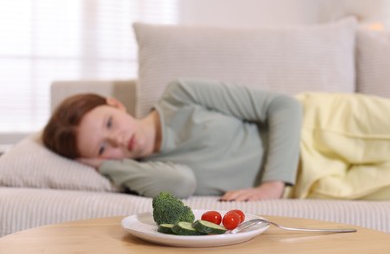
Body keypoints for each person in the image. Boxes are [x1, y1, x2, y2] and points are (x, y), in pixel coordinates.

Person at [42, 79, 302, 201]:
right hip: (311, 183)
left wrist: (272, 184)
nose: (118, 140)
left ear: (116, 104)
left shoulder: (180, 96)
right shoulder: (150, 173)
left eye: (109, 123)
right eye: (102, 148)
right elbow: (181, 183)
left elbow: (284, 105)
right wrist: (107, 166)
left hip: (318, 130)